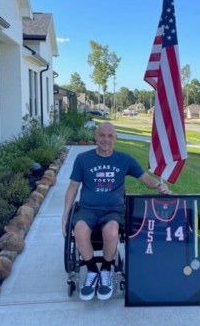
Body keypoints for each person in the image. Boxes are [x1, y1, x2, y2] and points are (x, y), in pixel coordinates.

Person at [62, 122, 171, 301]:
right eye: (102, 135)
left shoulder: (124, 160)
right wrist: (65, 215)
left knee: (111, 231)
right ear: (96, 137)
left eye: (110, 136)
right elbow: (73, 187)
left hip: (113, 211)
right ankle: (91, 272)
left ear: (115, 139)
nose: (106, 139)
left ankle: (106, 270)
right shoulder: (83, 159)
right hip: (87, 209)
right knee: (80, 231)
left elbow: (145, 179)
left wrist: (160, 185)